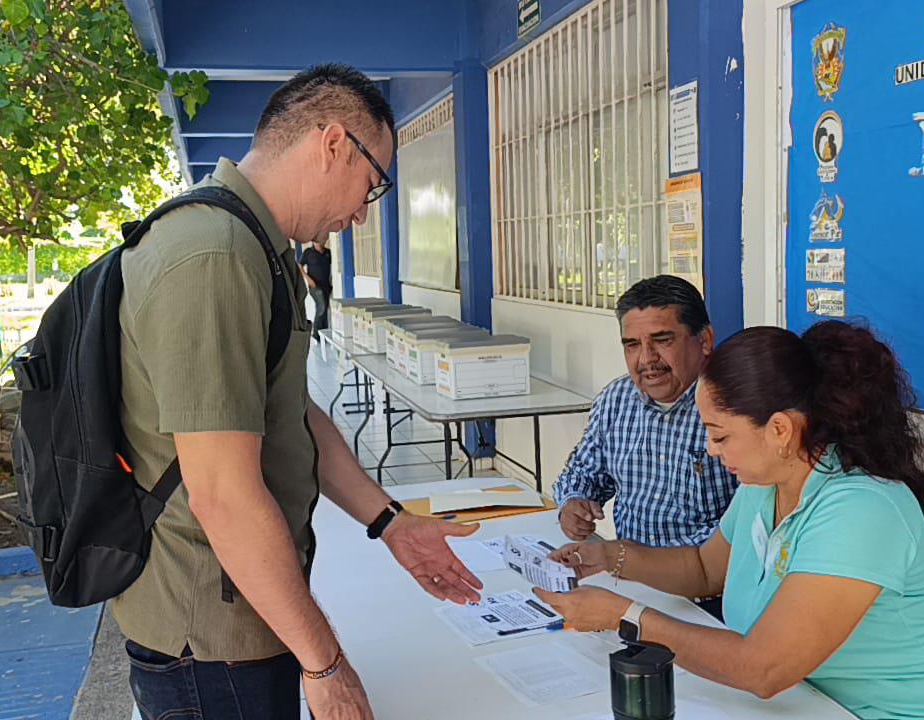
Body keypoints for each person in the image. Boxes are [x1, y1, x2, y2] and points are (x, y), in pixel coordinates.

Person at [114, 63, 478, 720]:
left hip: (248, 608)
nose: (362, 214)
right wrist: (325, 663)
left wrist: (389, 522)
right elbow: (222, 495)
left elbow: (290, 412)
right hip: (211, 639)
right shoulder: (214, 253)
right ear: (333, 143)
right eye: (373, 184)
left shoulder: (256, 246)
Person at [538, 321, 924, 719]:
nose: (711, 450)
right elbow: (704, 568)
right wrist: (610, 556)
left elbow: (763, 669)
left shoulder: (861, 510)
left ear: (780, 430)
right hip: (810, 704)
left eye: (720, 436)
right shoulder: (765, 485)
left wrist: (626, 618)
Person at [552, 276, 737, 615]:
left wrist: (636, 560)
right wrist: (573, 503)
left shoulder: (735, 409)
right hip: (628, 584)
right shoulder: (617, 398)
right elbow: (582, 472)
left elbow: (740, 532)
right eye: (632, 345)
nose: (646, 359)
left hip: (709, 598)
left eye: (662, 340)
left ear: (705, 340)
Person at [299, 236, 333, 339]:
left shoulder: (328, 253)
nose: (319, 243)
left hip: (326, 286)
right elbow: (299, 266)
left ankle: (324, 334)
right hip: (315, 286)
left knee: (324, 309)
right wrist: (308, 279)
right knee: (321, 306)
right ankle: (316, 334)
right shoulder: (308, 252)